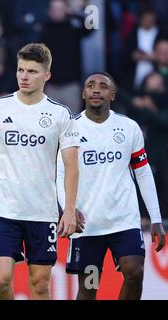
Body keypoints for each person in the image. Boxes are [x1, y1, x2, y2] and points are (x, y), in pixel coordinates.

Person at [0, 43, 79, 300]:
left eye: (32, 71)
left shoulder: (60, 114)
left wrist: (69, 209)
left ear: (46, 75)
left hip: (42, 210)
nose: (24, 76)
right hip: (4, 209)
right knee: (1, 279)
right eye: (21, 70)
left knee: (40, 285)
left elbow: (72, 166)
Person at [57, 72, 166, 300]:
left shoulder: (128, 127)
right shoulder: (70, 129)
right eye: (91, 85)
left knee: (134, 272)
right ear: (84, 93)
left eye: (103, 86)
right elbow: (59, 174)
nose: (97, 89)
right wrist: (68, 209)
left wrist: (155, 218)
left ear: (113, 94)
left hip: (123, 221)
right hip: (87, 224)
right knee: (89, 288)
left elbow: (143, 172)